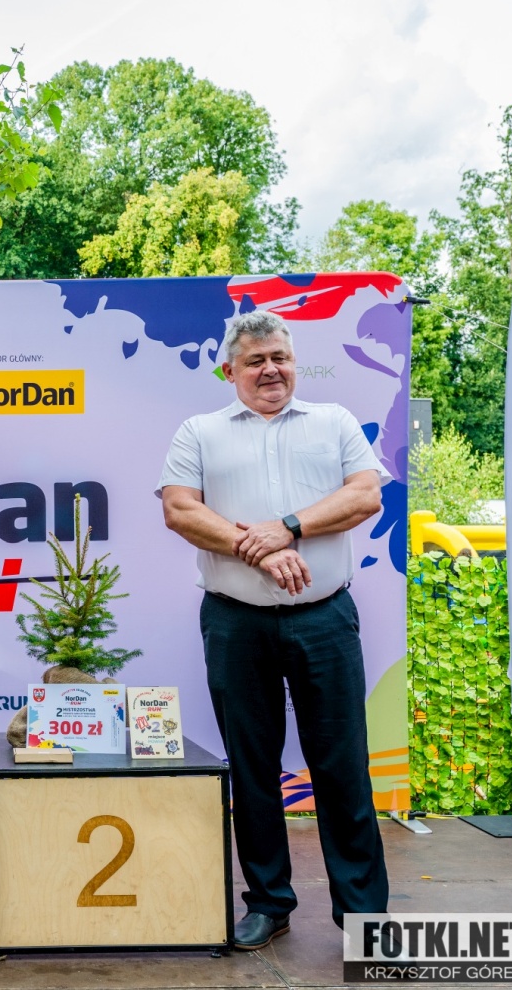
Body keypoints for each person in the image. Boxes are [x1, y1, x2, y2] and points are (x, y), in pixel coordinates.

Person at [159, 310, 389, 949]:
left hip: (325, 618)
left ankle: (363, 917)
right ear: (229, 370)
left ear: (294, 361)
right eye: (255, 360)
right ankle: (267, 903)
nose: (270, 370)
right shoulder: (199, 432)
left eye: (279, 358)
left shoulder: (334, 421)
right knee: (252, 767)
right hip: (235, 622)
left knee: (342, 766)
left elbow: (365, 495)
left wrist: (285, 528)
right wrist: (257, 549)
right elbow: (180, 510)